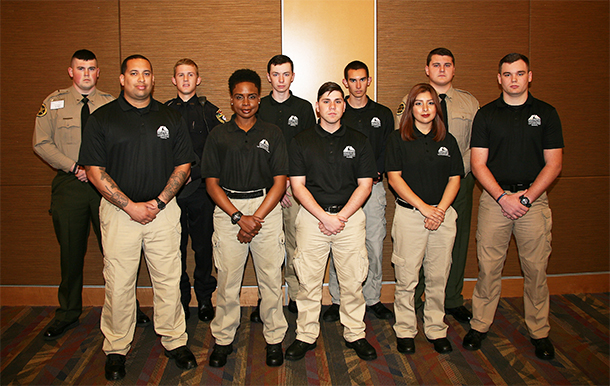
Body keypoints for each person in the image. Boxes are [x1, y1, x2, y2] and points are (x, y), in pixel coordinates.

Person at [79, 55, 197, 381]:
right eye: (134, 73)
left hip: (162, 212)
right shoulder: (102, 119)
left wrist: (158, 202)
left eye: (146, 73)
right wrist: (130, 205)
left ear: (153, 79)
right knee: (118, 283)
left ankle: (175, 340)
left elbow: (184, 165)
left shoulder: (170, 116)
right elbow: (94, 170)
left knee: (169, 279)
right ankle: (116, 347)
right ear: (121, 79)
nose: (141, 79)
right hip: (119, 214)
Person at [33, 49, 149, 342]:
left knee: (118, 253)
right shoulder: (54, 103)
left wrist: (97, 171)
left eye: (92, 68)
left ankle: (129, 308)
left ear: (99, 73)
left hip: (107, 186)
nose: (87, 73)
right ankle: (68, 312)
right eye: (81, 68)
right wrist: (74, 166)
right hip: (70, 185)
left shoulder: (112, 103)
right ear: (71, 72)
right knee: (70, 251)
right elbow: (41, 142)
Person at [463, 53, 563, 361]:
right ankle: (480, 325)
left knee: (535, 270)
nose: (514, 79)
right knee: (489, 268)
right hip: (495, 202)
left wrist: (526, 198)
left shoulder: (546, 113)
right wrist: (502, 197)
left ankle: (539, 331)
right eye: (507, 74)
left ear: (529, 76)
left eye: (519, 73)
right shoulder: (487, 114)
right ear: (499, 78)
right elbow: (478, 163)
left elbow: (554, 163)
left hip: (533, 202)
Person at [285, 82, 378, 362]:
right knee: (308, 282)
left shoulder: (360, 141)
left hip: (348, 219)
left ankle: (355, 333)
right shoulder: (301, 141)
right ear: (317, 106)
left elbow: (365, 186)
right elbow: (298, 186)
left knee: (352, 281)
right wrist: (324, 217)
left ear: (344, 106)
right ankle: (305, 335)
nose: (332, 106)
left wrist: (341, 217)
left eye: (338, 101)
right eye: (326, 101)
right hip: (312, 219)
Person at [202, 69, 288, 368]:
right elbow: (211, 182)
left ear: (259, 98)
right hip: (228, 209)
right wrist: (239, 217)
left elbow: (281, 181)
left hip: (266, 207)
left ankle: (275, 339)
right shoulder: (218, 134)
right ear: (231, 100)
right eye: (239, 97)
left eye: (252, 96)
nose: (246, 102)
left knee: (271, 280)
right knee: (227, 282)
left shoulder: (273, 133)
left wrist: (256, 219)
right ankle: (223, 339)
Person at [396, 48, 479, 323]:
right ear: (427, 69)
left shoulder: (470, 103)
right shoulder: (409, 101)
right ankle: (414, 303)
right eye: (436, 65)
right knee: (414, 254)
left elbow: (474, 146)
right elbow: (404, 145)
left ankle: (451, 299)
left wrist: (457, 172)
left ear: (454, 69)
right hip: (416, 190)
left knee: (452, 247)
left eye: (447, 65)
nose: (442, 69)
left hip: (459, 182)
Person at [387, 83, 463, 354]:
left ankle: (435, 328)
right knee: (407, 278)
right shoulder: (398, 139)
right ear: (410, 109)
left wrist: (439, 210)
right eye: (418, 103)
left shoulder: (448, 140)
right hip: (411, 216)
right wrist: (424, 208)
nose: (425, 109)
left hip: (442, 216)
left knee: (437, 276)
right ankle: (405, 330)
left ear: (437, 108)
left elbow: (455, 179)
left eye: (430, 103)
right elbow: (394, 178)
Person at [323, 60, 394, 323]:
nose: (358, 85)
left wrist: (378, 171)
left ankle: (373, 297)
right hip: (343, 193)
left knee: (374, 245)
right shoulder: (339, 111)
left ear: (369, 81)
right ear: (345, 83)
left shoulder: (383, 114)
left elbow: (389, 149)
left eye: (362, 79)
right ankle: (337, 298)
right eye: (352, 80)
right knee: (337, 245)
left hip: (373, 190)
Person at [251, 54, 316, 321]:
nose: (280, 79)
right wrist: (273, 187)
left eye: (285, 74)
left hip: (294, 192)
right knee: (266, 249)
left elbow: (310, 149)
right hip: (264, 191)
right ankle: (267, 299)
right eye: (275, 74)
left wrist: (289, 183)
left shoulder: (302, 108)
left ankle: (296, 295)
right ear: (268, 77)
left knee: (293, 246)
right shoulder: (258, 106)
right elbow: (251, 152)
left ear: (292, 76)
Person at [165, 58, 226, 322]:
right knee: (173, 249)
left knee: (202, 248)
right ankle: (179, 298)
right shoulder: (163, 112)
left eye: (191, 75)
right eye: (181, 75)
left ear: (198, 80)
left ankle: (203, 299)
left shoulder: (211, 112)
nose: (186, 79)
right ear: (173, 80)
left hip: (201, 191)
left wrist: (194, 172)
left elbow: (221, 152)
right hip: (170, 194)